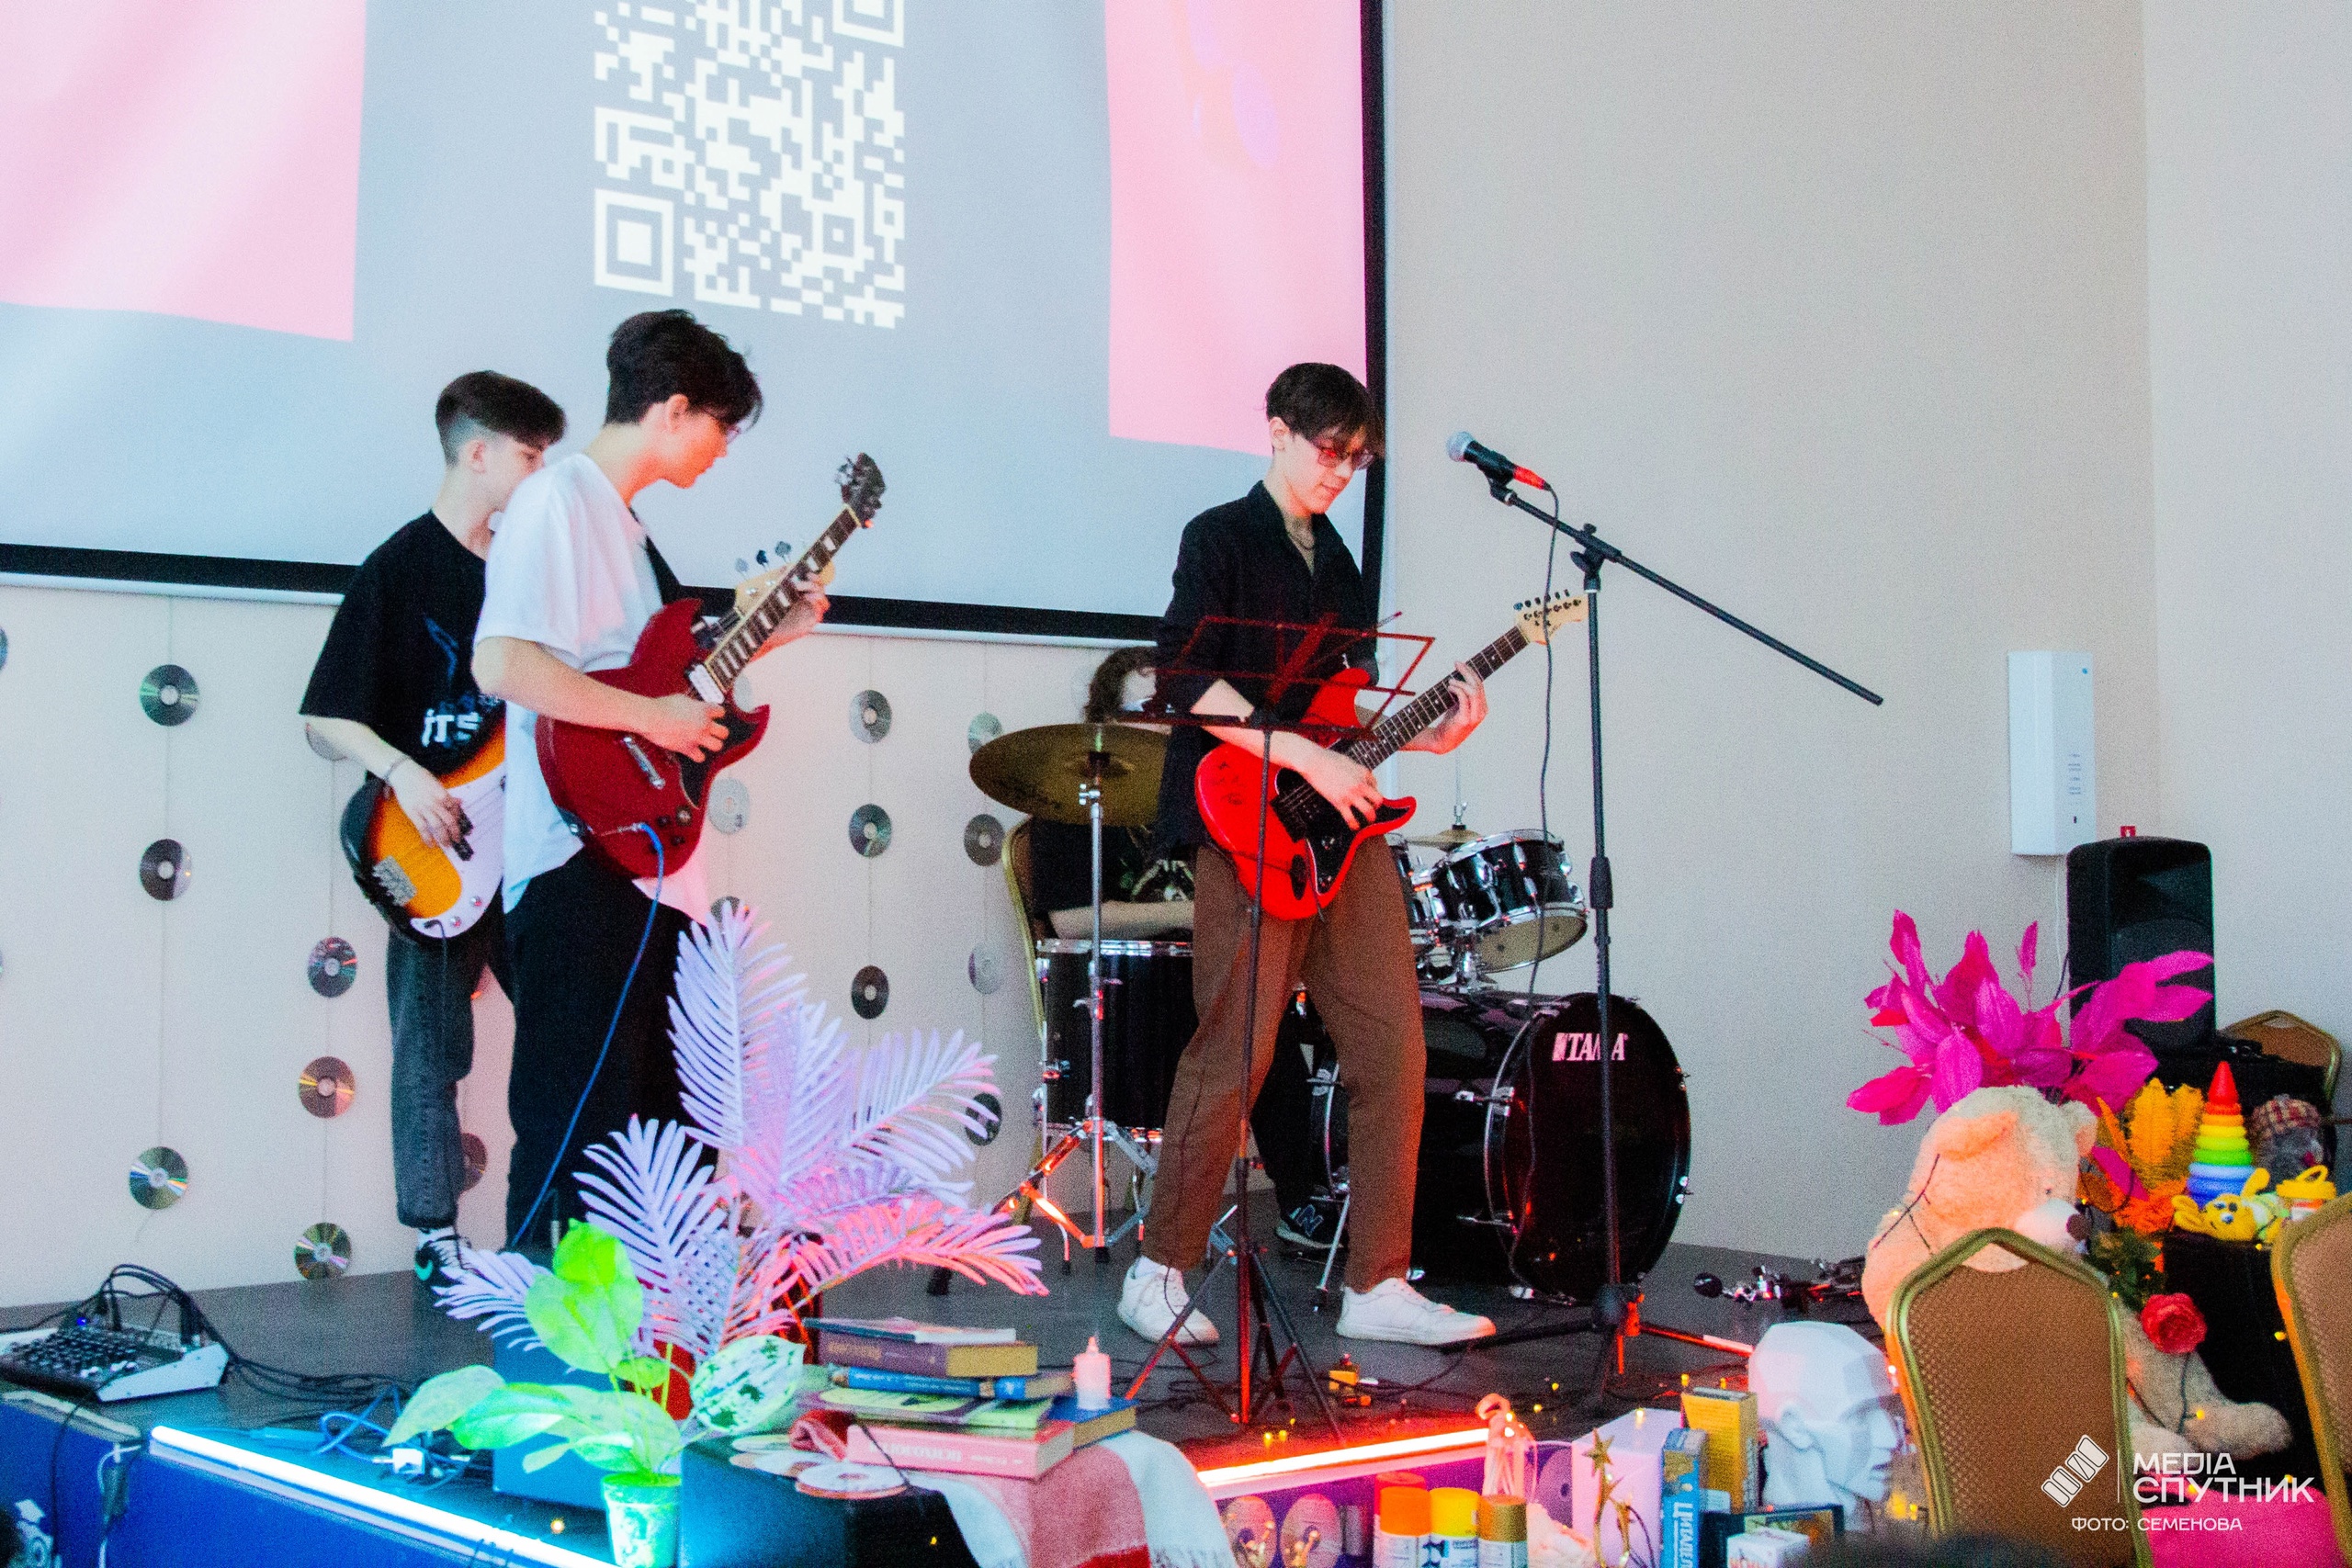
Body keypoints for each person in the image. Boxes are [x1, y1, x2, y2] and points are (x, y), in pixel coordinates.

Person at [1118, 362, 1495, 1348]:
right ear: (1278, 430)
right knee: (1234, 1051)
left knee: (1392, 1046)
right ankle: (1159, 1269)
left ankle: (1378, 1281)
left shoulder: (1340, 562)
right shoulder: (1218, 536)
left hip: (1338, 829)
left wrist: (1429, 735)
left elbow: (1343, 713)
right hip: (1240, 816)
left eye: (1355, 459)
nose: (1340, 471)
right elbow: (1184, 677)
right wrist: (1301, 757)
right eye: (1329, 449)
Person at [474, 310, 826, 1251]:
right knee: (576, 1138)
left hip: (652, 870)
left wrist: (774, 634)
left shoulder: (630, 536)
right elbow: (502, 662)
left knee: (666, 1142)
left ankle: (653, 1333)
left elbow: (672, 690)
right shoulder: (555, 501)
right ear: (672, 410)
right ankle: (551, 1336)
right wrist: (652, 719)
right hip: (576, 866)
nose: (721, 448)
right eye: (720, 425)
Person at [299, 370, 566, 1283]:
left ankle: (566, 1222)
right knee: (431, 1046)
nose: (542, 475)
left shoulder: (531, 571)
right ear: (478, 453)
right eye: (531, 455)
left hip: (529, 845)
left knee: (568, 1027)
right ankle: (435, 1237)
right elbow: (325, 712)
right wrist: (403, 773)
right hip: (435, 847)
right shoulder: (399, 566)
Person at [1026, 646, 1340, 1251]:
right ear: (1105, 722)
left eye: (1171, 711)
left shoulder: (1209, 793)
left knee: (1282, 1012)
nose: (1160, 726)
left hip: (1214, 972)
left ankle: (1315, 1196)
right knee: (1247, 1024)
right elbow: (1069, 921)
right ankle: (1293, 1202)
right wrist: (1191, 914)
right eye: (1143, 712)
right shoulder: (1071, 801)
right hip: (1129, 1001)